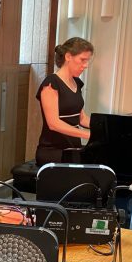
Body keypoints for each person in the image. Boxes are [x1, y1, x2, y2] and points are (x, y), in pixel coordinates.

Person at [35, 37, 93, 166]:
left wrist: (105, 127)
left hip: (73, 147)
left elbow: (81, 118)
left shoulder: (77, 83)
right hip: (54, 150)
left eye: (87, 61)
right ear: (68, 57)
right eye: (83, 60)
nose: (86, 65)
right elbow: (54, 123)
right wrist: (87, 135)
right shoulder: (51, 83)